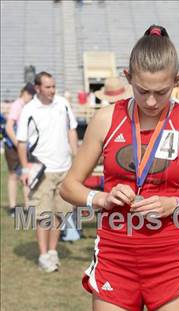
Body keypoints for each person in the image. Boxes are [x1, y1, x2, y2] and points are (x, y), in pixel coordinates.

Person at [60, 25, 179, 311]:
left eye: (161, 92)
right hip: (114, 256)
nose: (151, 101)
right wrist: (101, 198)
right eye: (142, 91)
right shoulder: (105, 119)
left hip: (170, 257)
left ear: (177, 81)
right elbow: (69, 186)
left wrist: (175, 205)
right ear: (128, 78)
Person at [16, 71, 79, 272]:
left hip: (65, 169)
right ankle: (43, 256)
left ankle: (53, 252)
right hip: (42, 171)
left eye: (53, 86)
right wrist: (25, 168)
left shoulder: (63, 103)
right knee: (43, 215)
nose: (52, 90)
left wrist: (76, 159)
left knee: (60, 213)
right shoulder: (29, 110)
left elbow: (72, 130)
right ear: (37, 88)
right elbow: (21, 142)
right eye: (48, 87)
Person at [4, 83, 36, 217]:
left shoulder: (27, 106)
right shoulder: (17, 105)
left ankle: (29, 206)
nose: (32, 97)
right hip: (13, 146)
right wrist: (18, 144)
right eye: (31, 94)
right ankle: (12, 207)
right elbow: (9, 127)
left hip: (23, 145)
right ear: (25, 93)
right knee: (13, 176)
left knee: (27, 175)